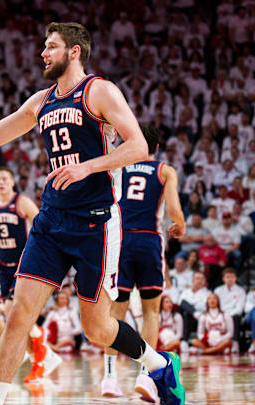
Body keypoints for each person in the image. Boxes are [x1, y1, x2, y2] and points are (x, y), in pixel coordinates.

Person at [0, 22, 184, 405]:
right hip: (51, 221)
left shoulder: (99, 90)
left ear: (74, 51)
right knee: (19, 315)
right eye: (44, 46)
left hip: (95, 221)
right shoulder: (41, 100)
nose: (43, 53)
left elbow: (136, 146)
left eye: (51, 46)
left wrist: (88, 166)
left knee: (97, 328)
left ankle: (159, 364)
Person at [101, 124, 186, 401]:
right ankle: (146, 376)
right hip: (148, 242)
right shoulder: (164, 170)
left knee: (115, 313)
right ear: (157, 147)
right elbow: (173, 210)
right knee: (150, 313)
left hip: (120, 241)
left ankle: (109, 379)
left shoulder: (118, 167)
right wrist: (180, 225)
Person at [0, 166, 61, 381]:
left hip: (23, 265)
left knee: (10, 311)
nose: (0, 182)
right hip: (3, 267)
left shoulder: (21, 202)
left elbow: (43, 227)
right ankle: (38, 350)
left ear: (12, 182)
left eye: (4, 178)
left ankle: (37, 350)